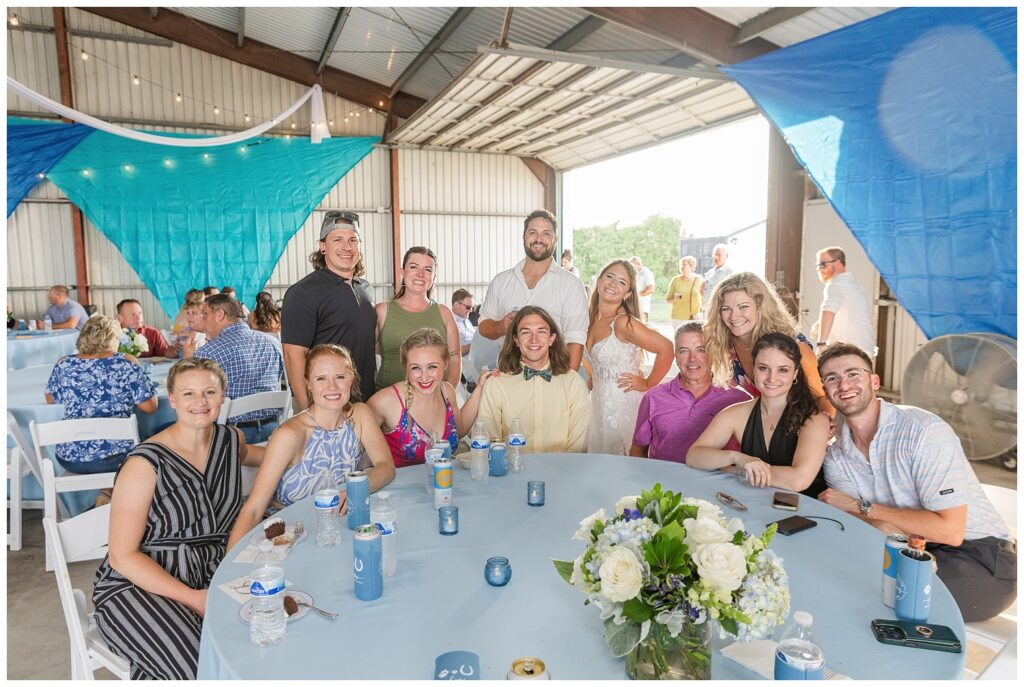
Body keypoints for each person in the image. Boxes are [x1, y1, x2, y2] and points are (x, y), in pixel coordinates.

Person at [816, 343, 1016, 622]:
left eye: (853, 374)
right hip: (910, 546)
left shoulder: (923, 432)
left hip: (978, 556)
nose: (844, 384)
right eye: (832, 378)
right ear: (825, 390)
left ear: (874, 381)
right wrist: (880, 522)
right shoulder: (837, 456)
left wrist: (864, 508)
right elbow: (857, 520)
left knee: (878, 591)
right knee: (835, 569)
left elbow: (950, 531)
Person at [93, 358, 263, 680]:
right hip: (141, 582)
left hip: (213, 569)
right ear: (172, 399)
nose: (200, 402)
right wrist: (194, 599)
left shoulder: (231, 441)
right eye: (188, 394)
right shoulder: (144, 463)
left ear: (223, 395)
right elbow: (122, 556)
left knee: (262, 642)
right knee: (201, 666)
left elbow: (272, 456)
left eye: (209, 392)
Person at [228, 344, 395, 548]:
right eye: (321, 378)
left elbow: (386, 466)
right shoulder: (290, 435)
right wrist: (231, 564)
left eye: (340, 377)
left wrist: (355, 491)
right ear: (308, 383)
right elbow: (253, 509)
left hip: (337, 529)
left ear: (351, 379)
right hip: (289, 537)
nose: (332, 387)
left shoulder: (359, 415)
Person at [687, 332, 830, 497]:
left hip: (810, 512)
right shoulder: (737, 413)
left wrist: (732, 470)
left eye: (783, 370)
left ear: (795, 373)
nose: (772, 378)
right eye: (763, 368)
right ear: (753, 369)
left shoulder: (815, 418)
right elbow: (694, 456)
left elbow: (798, 480)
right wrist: (736, 458)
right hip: (757, 503)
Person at [281, 211, 376, 407]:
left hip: (365, 402)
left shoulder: (365, 288)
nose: (346, 247)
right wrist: (311, 410)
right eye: (337, 240)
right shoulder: (303, 292)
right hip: (326, 403)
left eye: (353, 240)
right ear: (322, 246)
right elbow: (293, 356)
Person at [45, 316, 158, 478]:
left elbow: (51, 399)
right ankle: (110, 492)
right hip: (117, 456)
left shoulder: (64, 364)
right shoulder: (126, 363)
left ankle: (106, 492)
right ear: (112, 339)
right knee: (155, 442)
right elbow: (150, 407)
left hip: (70, 457)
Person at [704, 271, 832, 415]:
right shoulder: (726, 345)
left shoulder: (794, 346)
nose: (734, 316)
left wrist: (823, 427)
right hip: (767, 425)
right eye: (726, 309)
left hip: (803, 424)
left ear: (760, 306)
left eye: (743, 307)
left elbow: (824, 396)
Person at [478, 209, 589, 371]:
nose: (539, 239)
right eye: (533, 233)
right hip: (509, 378)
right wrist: (500, 327)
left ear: (555, 239)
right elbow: (483, 326)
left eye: (546, 233)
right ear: (524, 237)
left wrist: (566, 387)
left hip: (554, 379)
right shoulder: (501, 281)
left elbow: (576, 341)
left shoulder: (571, 284)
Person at [368, 328, 496, 467]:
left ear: (445, 364)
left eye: (432, 367)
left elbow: (460, 430)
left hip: (444, 483)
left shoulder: (447, 391)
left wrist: (480, 387)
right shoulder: (385, 401)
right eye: (416, 368)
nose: (424, 376)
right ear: (405, 368)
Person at [585, 260, 673, 455]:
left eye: (622, 282)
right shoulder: (589, 319)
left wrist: (647, 383)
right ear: (599, 281)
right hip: (598, 404)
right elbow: (592, 359)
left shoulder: (622, 322)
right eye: (609, 276)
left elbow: (666, 349)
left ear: (628, 294)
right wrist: (595, 377)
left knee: (623, 465)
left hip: (623, 404)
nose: (613, 284)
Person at [630, 321, 750, 462]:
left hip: (716, 483)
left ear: (712, 353)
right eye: (684, 351)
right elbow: (638, 450)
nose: (692, 359)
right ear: (676, 356)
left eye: (701, 350)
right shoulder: (653, 398)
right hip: (664, 481)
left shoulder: (740, 400)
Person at [478, 306, 590, 452]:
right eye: (526, 332)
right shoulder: (496, 384)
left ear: (552, 339)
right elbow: (490, 443)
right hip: (512, 472)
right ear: (516, 340)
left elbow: (577, 447)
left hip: (563, 472)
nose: (534, 339)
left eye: (541, 331)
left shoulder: (574, 384)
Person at [193, 294, 284, 445]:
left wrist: (190, 359)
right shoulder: (273, 342)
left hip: (232, 438)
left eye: (205, 314)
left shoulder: (208, 352)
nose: (203, 321)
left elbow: (195, 395)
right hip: (273, 433)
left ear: (220, 315)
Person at [374, 246, 461, 391]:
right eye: (414, 267)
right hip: (389, 402)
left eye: (427, 269)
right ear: (402, 271)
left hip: (434, 401)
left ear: (433, 276)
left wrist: (447, 395)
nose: (420, 274)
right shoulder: (382, 311)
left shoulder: (444, 313)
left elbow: (455, 358)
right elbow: (367, 354)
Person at [811, 246, 877, 356]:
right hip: (861, 352)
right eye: (817, 266)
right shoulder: (851, 285)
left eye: (823, 264)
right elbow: (843, 311)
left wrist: (821, 344)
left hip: (851, 354)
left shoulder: (836, 285)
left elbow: (828, 312)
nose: (819, 269)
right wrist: (819, 324)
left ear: (837, 263)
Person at [664, 256, 703, 329]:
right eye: (681, 264)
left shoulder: (698, 280)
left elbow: (703, 298)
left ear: (691, 266)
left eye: (684, 264)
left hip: (693, 318)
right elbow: (667, 300)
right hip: (677, 317)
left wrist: (700, 312)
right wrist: (675, 299)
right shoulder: (675, 280)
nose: (681, 266)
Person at [701, 243, 734, 312]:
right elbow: (704, 292)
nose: (716, 257)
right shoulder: (709, 273)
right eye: (714, 255)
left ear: (726, 256)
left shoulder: (730, 273)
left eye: (719, 255)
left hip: (721, 310)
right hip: (708, 309)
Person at [451, 288, 476, 358]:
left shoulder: (466, 320)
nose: (471, 311)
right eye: (468, 307)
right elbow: (452, 353)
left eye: (473, 308)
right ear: (456, 305)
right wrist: (475, 344)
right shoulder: (450, 323)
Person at [630, 256, 656, 323]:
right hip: (632, 307)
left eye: (632, 265)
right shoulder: (633, 272)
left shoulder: (647, 273)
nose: (630, 268)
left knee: (641, 329)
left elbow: (651, 289)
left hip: (642, 309)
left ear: (638, 264)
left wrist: (636, 296)